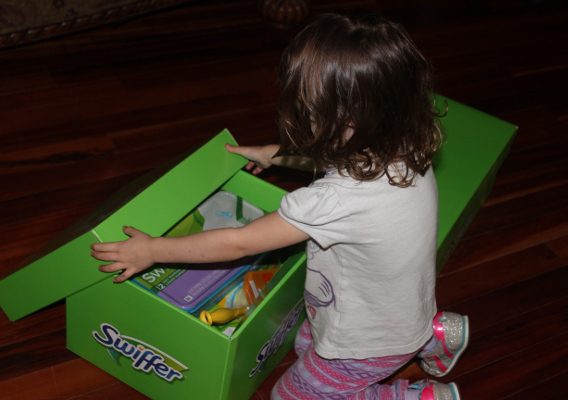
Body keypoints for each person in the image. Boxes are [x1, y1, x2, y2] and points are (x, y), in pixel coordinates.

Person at [92, 13, 469, 400]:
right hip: (401, 309)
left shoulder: (334, 201)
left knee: (290, 397)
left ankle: (416, 397)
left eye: (310, 108)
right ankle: (435, 336)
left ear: (349, 120)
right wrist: (274, 156)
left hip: (366, 341)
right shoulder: (402, 146)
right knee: (306, 343)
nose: (302, 114)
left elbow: (239, 243)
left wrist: (152, 250)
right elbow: (332, 158)